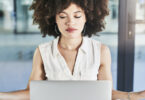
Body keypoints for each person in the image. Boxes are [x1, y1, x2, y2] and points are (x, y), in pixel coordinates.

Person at [0, 0, 145, 100]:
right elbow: (31, 93)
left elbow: (105, 93)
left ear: (87, 17)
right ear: (53, 19)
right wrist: (3, 95)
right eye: (62, 16)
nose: (70, 22)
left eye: (77, 15)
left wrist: (132, 96)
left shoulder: (101, 51)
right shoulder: (43, 52)